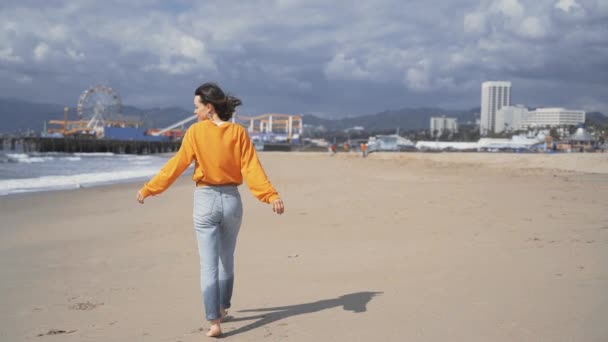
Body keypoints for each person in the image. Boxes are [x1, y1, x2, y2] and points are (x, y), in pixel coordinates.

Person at [136, 82, 285, 337]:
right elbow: (252, 169)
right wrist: (270, 196)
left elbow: (176, 165)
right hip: (231, 201)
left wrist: (150, 189)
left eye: (197, 107)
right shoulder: (238, 133)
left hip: (205, 201)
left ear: (209, 107)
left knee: (208, 265)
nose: (195, 112)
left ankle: (214, 322)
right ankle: (224, 307)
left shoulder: (195, 133)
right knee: (226, 261)